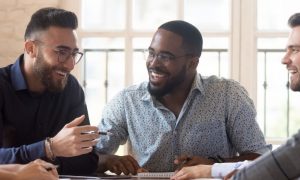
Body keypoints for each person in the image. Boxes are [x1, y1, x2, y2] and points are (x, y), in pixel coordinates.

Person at [95, 20, 270, 175]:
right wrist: (109, 160)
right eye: (151, 53)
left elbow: (262, 158)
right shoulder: (127, 101)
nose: (153, 63)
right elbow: (92, 156)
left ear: (193, 63)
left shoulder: (227, 95)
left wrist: (213, 166)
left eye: (165, 57)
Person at [171, 12, 300, 180]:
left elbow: (286, 161)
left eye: (295, 50)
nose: (284, 59)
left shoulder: (226, 92)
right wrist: (211, 169)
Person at [0, 7, 100, 175]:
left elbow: (88, 161)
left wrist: (38, 161)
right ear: (31, 48)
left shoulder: (71, 88)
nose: (70, 65)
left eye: (74, 54)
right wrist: (49, 148)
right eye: (61, 52)